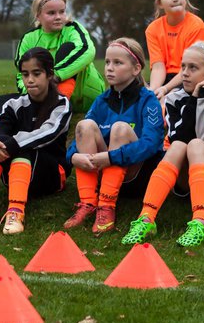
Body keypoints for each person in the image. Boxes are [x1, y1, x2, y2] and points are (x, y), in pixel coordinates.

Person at [120, 41, 204, 249]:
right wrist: (195, 97)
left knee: (196, 145)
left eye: (193, 68)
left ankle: (200, 222)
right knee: (179, 145)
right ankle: (146, 219)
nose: (185, 73)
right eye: (183, 67)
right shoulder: (173, 98)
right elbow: (177, 137)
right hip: (186, 181)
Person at [0, 47, 70, 235]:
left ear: (49, 75)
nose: (30, 80)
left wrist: (9, 143)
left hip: (52, 175)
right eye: (25, 74)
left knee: (22, 145)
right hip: (17, 174)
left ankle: (16, 211)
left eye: (36, 73)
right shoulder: (14, 104)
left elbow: (46, 133)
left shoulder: (61, 104)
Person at [63, 37, 165, 236]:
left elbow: (152, 144)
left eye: (118, 63)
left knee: (120, 128)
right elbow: (81, 138)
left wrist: (111, 157)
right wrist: (73, 157)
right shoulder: (102, 100)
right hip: (105, 171)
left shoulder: (148, 99)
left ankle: (107, 207)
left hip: (137, 177)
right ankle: (88, 203)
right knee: (85, 125)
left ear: (136, 69)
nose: (109, 68)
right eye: (108, 62)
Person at [1, 0, 104, 113]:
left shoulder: (72, 29)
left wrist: (55, 76)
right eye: (51, 13)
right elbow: (21, 72)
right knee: (1, 102)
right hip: (44, 97)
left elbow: (87, 50)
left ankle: (57, 104)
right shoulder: (29, 39)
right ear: (38, 15)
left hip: (87, 97)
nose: (58, 17)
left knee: (67, 49)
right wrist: (30, 92)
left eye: (62, 12)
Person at [145, 0, 204, 100]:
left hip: (189, 77)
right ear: (159, 3)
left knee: (169, 99)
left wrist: (166, 89)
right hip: (165, 79)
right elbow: (158, 67)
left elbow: (191, 68)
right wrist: (153, 91)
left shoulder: (197, 26)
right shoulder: (153, 29)